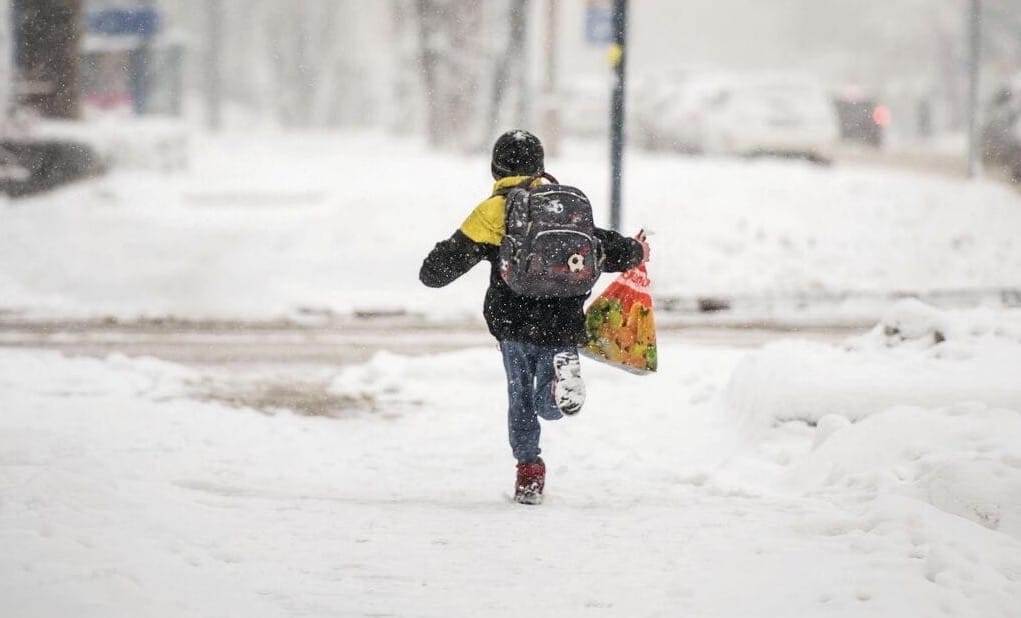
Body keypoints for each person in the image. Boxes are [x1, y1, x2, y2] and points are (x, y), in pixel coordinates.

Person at [419, 129, 649, 505]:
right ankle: (559, 388)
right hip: (564, 319)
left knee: (520, 398)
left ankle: (529, 472)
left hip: (514, 320)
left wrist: (446, 254)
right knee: (548, 403)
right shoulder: (565, 205)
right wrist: (636, 250)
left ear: (496, 168)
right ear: (541, 166)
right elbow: (603, 245)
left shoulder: (493, 211)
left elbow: (436, 273)